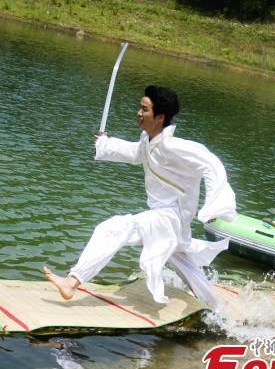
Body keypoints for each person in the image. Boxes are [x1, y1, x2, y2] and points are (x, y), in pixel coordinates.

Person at [44, 85, 237, 310]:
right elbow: (136, 153)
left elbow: (211, 163)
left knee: (113, 228)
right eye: (140, 107)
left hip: (170, 218)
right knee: (187, 267)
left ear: (160, 117)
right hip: (170, 222)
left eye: (145, 109)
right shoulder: (149, 141)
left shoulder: (172, 145)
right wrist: (104, 145)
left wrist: (213, 207)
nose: (138, 113)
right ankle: (219, 312)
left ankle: (71, 282)